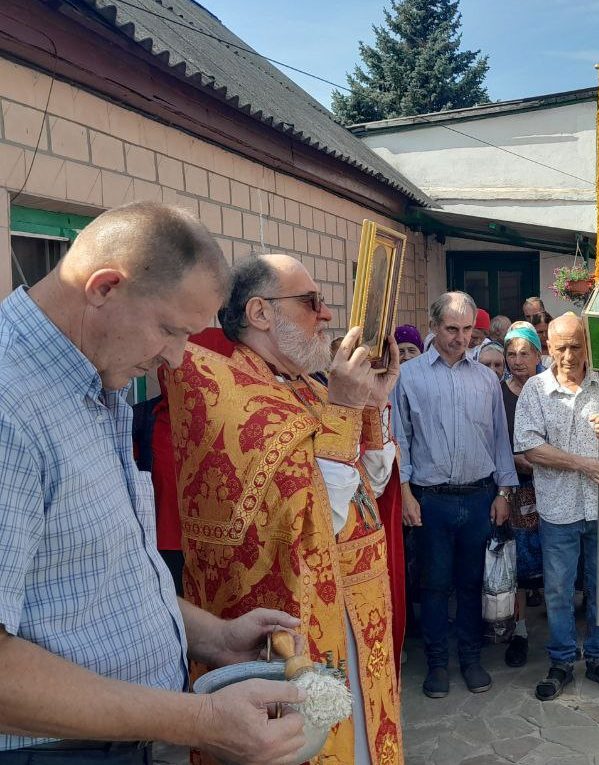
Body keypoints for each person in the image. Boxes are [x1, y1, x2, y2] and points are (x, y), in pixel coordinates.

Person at [0, 202, 306, 764]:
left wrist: (214, 636)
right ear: (104, 287)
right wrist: (203, 720)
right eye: (170, 329)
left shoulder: (98, 380)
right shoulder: (9, 405)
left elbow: (97, 578)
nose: (176, 357)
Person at [169, 253, 404, 763]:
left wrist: (373, 404)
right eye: (311, 302)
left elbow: (372, 486)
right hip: (297, 612)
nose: (325, 314)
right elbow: (311, 521)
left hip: (355, 609)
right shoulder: (228, 394)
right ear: (259, 312)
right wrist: (344, 407)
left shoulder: (311, 386)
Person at [393, 292, 519, 699]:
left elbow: (500, 439)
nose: (460, 338)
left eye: (467, 329)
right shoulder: (409, 376)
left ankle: (470, 659)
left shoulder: (486, 378)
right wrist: (406, 493)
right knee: (433, 586)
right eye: (451, 329)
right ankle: (436, 664)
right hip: (432, 501)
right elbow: (401, 440)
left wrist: (503, 491)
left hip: (479, 498)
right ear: (433, 326)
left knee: (470, 584)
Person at [514, 314, 599, 701]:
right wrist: (581, 463)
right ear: (548, 346)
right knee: (559, 591)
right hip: (559, 509)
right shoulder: (535, 390)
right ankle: (562, 660)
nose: (567, 355)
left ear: (587, 346)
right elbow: (529, 446)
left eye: (575, 346)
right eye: (560, 346)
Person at [499, 322, 544, 669]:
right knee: (519, 565)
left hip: (551, 484)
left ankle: (561, 631)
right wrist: (515, 460)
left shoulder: (548, 390)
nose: (517, 361)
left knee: (555, 558)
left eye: (524, 353)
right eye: (511, 354)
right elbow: (495, 440)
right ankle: (520, 631)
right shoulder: (499, 394)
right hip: (513, 488)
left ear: (538, 355)